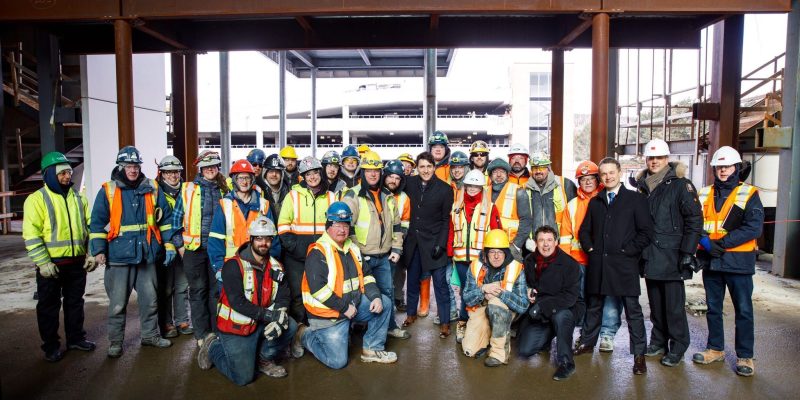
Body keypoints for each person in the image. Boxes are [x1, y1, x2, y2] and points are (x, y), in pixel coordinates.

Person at [90, 146, 175, 357]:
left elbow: (165, 220)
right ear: (121, 166)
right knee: (118, 304)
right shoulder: (108, 190)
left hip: (146, 256)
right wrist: (98, 250)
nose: (133, 170)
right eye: (129, 166)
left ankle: (149, 335)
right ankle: (116, 342)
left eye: (136, 166)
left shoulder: (153, 188)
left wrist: (170, 245)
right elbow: (97, 224)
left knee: (150, 300)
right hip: (119, 258)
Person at [573, 157, 653, 376]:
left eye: (611, 172)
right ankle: (588, 343)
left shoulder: (635, 200)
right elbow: (584, 231)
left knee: (633, 311)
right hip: (599, 263)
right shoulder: (596, 201)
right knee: (594, 306)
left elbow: (646, 232)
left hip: (624, 265)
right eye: (604, 174)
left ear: (619, 172)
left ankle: (639, 356)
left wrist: (628, 251)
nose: (608, 177)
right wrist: (590, 249)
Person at [294, 202, 397, 368]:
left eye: (346, 225)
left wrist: (375, 297)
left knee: (384, 303)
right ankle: (302, 334)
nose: (342, 230)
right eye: (337, 225)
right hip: (328, 314)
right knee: (337, 362)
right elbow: (318, 290)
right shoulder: (318, 251)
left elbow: (368, 276)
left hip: (352, 306)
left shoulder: (353, 249)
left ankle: (372, 349)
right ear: (328, 226)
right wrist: (344, 308)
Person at [197, 216, 297, 384]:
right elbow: (238, 302)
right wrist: (270, 316)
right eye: (258, 238)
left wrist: (279, 314)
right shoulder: (233, 266)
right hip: (236, 327)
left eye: (267, 239)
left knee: (290, 325)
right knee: (243, 378)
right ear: (251, 239)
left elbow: (284, 295)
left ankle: (263, 359)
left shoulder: (276, 267)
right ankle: (213, 345)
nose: (263, 243)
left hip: (260, 322)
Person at [692, 146, 764, 377]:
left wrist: (720, 244)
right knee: (713, 308)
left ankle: (745, 356)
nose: (723, 170)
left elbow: (753, 227)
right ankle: (715, 349)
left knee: (743, 309)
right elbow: (695, 223)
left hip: (738, 262)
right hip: (712, 262)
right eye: (720, 167)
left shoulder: (749, 193)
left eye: (727, 166)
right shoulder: (703, 193)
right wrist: (704, 242)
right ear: (714, 169)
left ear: (736, 168)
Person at [635, 139, 703, 367]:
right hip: (650, 254)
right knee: (655, 303)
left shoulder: (681, 185)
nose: (654, 162)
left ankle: (678, 345)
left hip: (673, 255)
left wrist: (688, 251)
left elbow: (694, 220)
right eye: (651, 158)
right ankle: (658, 341)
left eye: (659, 158)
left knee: (674, 307)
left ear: (667, 160)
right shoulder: (643, 185)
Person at [23, 152, 96, 362]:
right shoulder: (37, 200)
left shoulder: (78, 198)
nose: (67, 176)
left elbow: (90, 227)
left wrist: (90, 252)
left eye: (69, 172)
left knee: (75, 303)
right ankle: (51, 346)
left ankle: (75, 339)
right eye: (62, 173)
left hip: (76, 263)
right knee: (48, 307)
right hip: (51, 265)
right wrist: (43, 262)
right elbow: (31, 234)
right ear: (50, 175)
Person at [341, 152, 409, 339]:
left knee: (387, 291)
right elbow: (347, 227)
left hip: (384, 256)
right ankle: (356, 328)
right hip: (361, 256)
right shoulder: (352, 195)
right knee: (359, 294)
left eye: (376, 171)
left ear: (381, 173)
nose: (373, 174)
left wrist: (396, 248)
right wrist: (355, 253)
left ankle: (390, 326)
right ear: (362, 171)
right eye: (368, 170)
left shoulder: (387, 196)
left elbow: (396, 225)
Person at [172, 150, 229, 346]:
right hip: (194, 251)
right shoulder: (188, 189)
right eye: (206, 167)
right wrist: (181, 248)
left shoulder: (225, 189)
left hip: (218, 250)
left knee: (216, 292)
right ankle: (202, 335)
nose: (210, 169)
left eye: (213, 166)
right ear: (200, 169)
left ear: (218, 168)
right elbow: (175, 221)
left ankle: (216, 332)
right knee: (198, 292)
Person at [517, 226, 582, 380]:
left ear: (556, 242)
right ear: (536, 243)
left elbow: (570, 296)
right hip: (541, 311)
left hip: (565, 307)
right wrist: (528, 290)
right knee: (525, 350)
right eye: (541, 240)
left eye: (549, 240)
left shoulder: (570, 264)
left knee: (562, 317)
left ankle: (567, 363)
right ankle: (550, 333)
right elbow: (528, 284)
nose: (545, 244)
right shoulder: (529, 260)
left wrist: (542, 305)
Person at [558, 161, 611, 350]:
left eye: (591, 179)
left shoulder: (607, 199)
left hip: (601, 261)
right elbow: (565, 236)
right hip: (577, 261)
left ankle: (592, 338)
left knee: (597, 301)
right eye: (583, 179)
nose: (587, 182)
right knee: (578, 300)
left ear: (598, 180)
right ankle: (580, 334)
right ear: (578, 182)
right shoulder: (572, 205)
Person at [401, 152, 455, 338]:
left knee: (440, 285)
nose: (425, 170)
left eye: (428, 166)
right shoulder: (409, 183)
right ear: (417, 167)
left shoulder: (445, 189)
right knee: (412, 280)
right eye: (421, 166)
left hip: (434, 244)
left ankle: (446, 322)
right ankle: (410, 314)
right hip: (413, 243)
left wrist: (441, 244)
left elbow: (445, 220)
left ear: (434, 167)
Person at [278, 156, 337, 324]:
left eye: (315, 173)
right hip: (295, 256)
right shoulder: (293, 195)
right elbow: (282, 225)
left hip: (321, 255)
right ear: (302, 176)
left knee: (321, 291)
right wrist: (294, 247)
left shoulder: (331, 197)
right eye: (308, 174)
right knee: (297, 295)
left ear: (321, 173)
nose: (312, 177)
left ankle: (318, 330)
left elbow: (336, 226)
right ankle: (299, 333)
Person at [448, 169, 502, 342]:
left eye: (476, 186)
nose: (472, 188)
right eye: (469, 185)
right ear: (465, 186)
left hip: (481, 261)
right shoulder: (456, 207)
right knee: (467, 291)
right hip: (461, 259)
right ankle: (464, 323)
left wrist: (494, 257)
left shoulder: (490, 207)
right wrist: (449, 251)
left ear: (482, 188)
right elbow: (451, 231)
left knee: (479, 292)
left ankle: (478, 323)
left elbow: (496, 232)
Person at [461, 229, 527, 367]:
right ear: (486, 253)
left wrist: (500, 293)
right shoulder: (475, 266)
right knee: (469, 349)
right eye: (492, 251)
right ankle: (489, 334)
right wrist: (483, 290)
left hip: (503, 309)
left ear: (506, 253)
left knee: (495, 306)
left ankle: (499, 353)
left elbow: (523, 305)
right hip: (481, 307)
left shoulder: (516, 268)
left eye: (500, 252)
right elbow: (467, 298)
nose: (496, 256)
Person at [208, 159, 279, 284]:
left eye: (247, 178)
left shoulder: (264, 205)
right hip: (231, 266)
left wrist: (270, 263)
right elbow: (215, 239)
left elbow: (273, 239)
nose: (244, 182)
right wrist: (219, 267)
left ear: (252, 180)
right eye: (240, 178)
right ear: (234, 180)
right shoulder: (225, 205)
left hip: (258, 265)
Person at [155, 156, 192, 339]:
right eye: (169, 172)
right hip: (165, 248)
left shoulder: (187, 191)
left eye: (176, 172)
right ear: (162, 174)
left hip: (184, 245)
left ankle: (182, 320)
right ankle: (167, 323)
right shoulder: (155, 192)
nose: (173, 176)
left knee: (182, 286)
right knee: (166, 288)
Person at [514, 152, 577, 259]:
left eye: (542, 167)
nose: (538, 171)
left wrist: (566, 243)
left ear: (549, 168)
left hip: (559, 245)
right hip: (532, 247)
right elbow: (522, 219)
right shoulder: (523, 189)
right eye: (535, 168)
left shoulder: (565, 184)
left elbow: (575, 216)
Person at [384, 160, 411, 312]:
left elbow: (405, 223)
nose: (393, 181)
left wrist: (397, 244)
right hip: (375, 246)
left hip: (396, 244)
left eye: (397, 178)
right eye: (390, 177)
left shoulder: (404, 198)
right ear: (385, 176)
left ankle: (397, 300)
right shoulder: (376, 193)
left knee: (397, 274)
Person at [487, 158, 523, 261]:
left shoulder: (518, 191)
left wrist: (516, 245)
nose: (498, 175)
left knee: (512, 275)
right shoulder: (484, 192)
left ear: (507, 175)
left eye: (502, 171)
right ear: (490, 175)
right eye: (495, 172)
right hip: (489, 247)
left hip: (510, 246)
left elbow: (526, 220)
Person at [263, 153, 290, 218]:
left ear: (282, 175)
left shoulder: (289, 192)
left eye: (277, 171)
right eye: (271, 171)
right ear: (265, 173)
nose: (274, 174)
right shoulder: (259, 192)